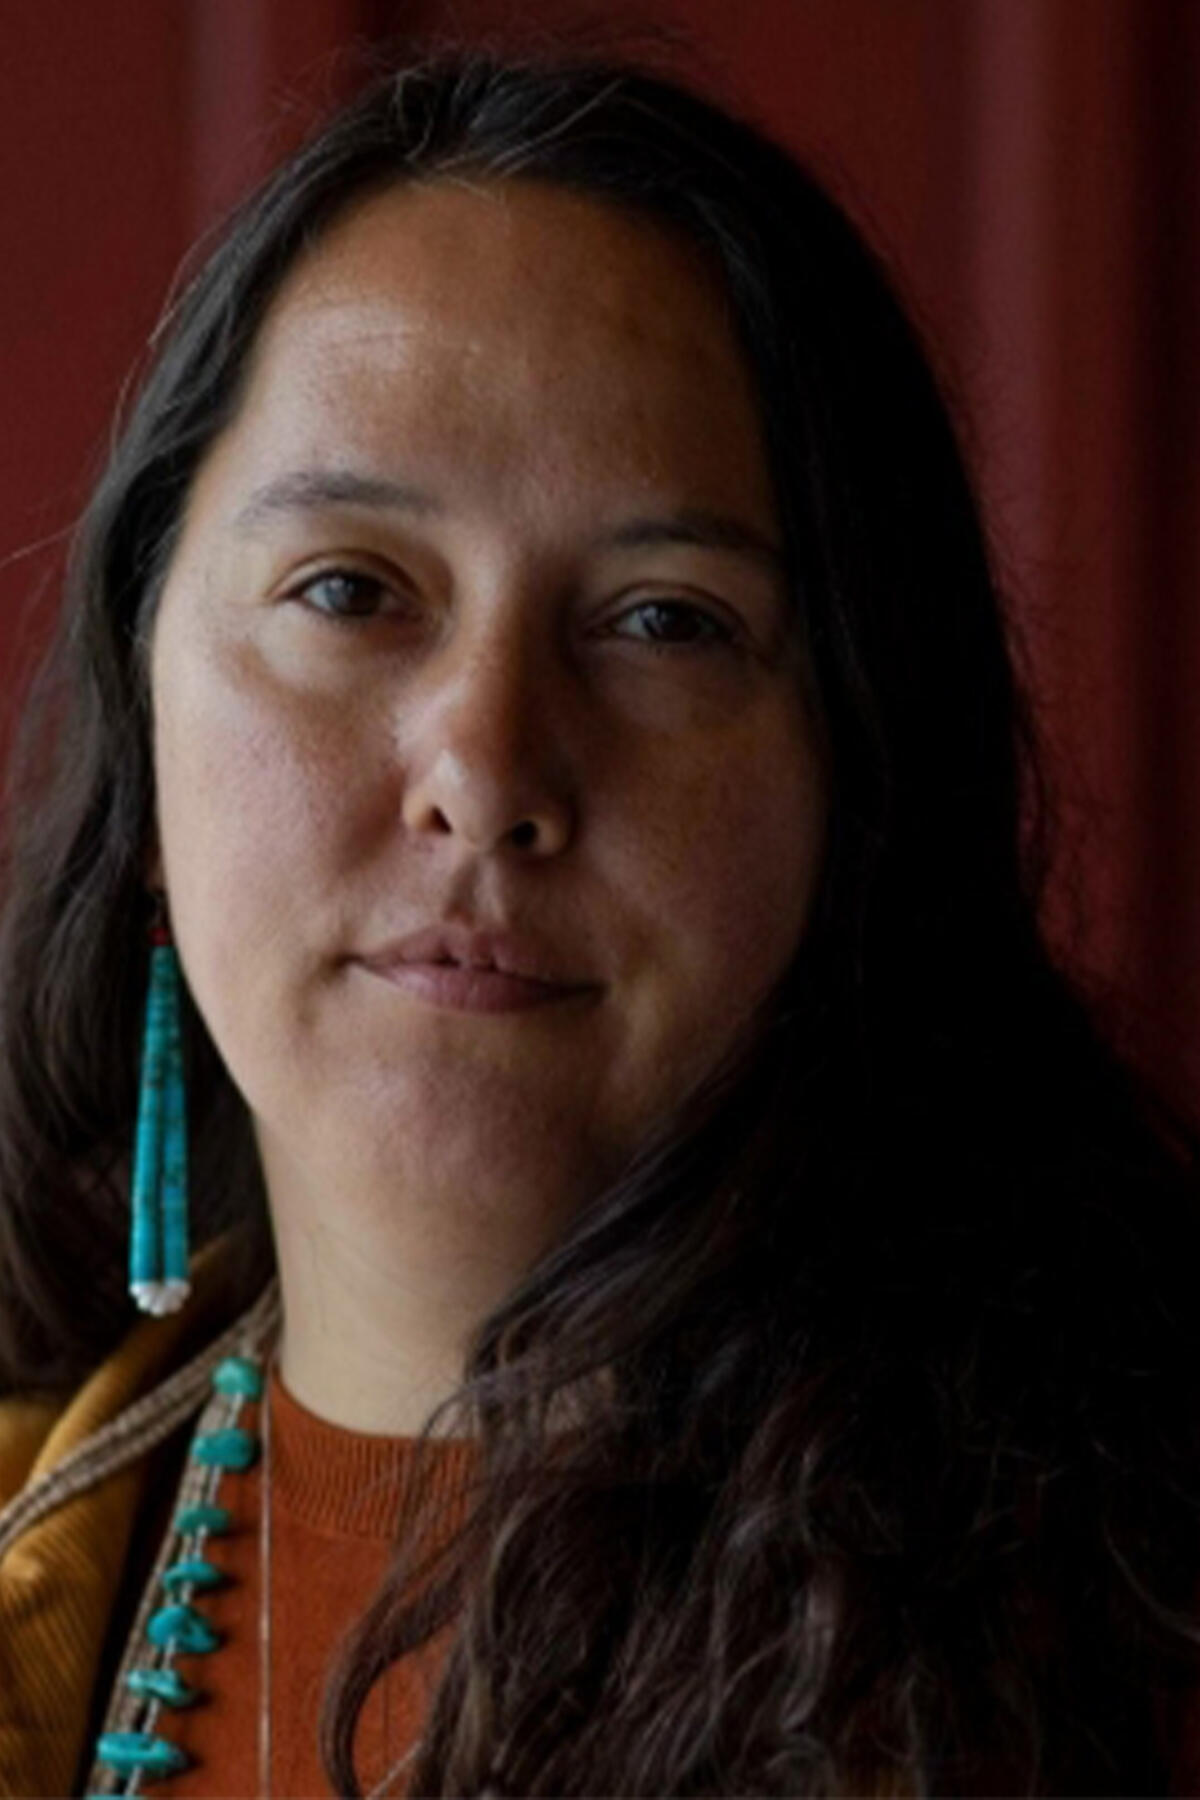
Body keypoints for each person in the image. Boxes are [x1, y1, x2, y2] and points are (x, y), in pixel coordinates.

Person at [0, 42, 1197, 1800]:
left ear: (860, 780)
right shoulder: (43, 1539)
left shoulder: (1136, 1628)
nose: (484, 768)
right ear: (146, 706)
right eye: (351, 590)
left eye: (663, 621)